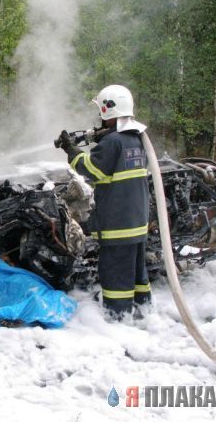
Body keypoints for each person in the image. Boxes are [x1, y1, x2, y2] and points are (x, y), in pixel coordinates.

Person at [58, 85, 151, 319]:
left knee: (116, 273)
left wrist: (71, 149)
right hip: (137, 221)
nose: (99, 117)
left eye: (101, 111)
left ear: (109, 110)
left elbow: (91, 169)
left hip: (118, 224)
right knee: (136, 271)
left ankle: (117, 316)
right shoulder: (136, 138)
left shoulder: (113, 143)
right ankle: (144, 310)